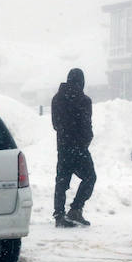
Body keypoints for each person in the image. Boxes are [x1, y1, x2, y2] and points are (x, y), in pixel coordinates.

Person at [51, 67, 96, 228]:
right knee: (90, 177)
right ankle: (76, 209)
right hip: (79, 147)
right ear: (81, 81)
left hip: (63, 146)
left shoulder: (57, 98)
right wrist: (86, 139)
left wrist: (66, 134)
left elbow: (55, 124)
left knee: (62, 181)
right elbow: (86, 124)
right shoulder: (84, 100)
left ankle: (59, 215)